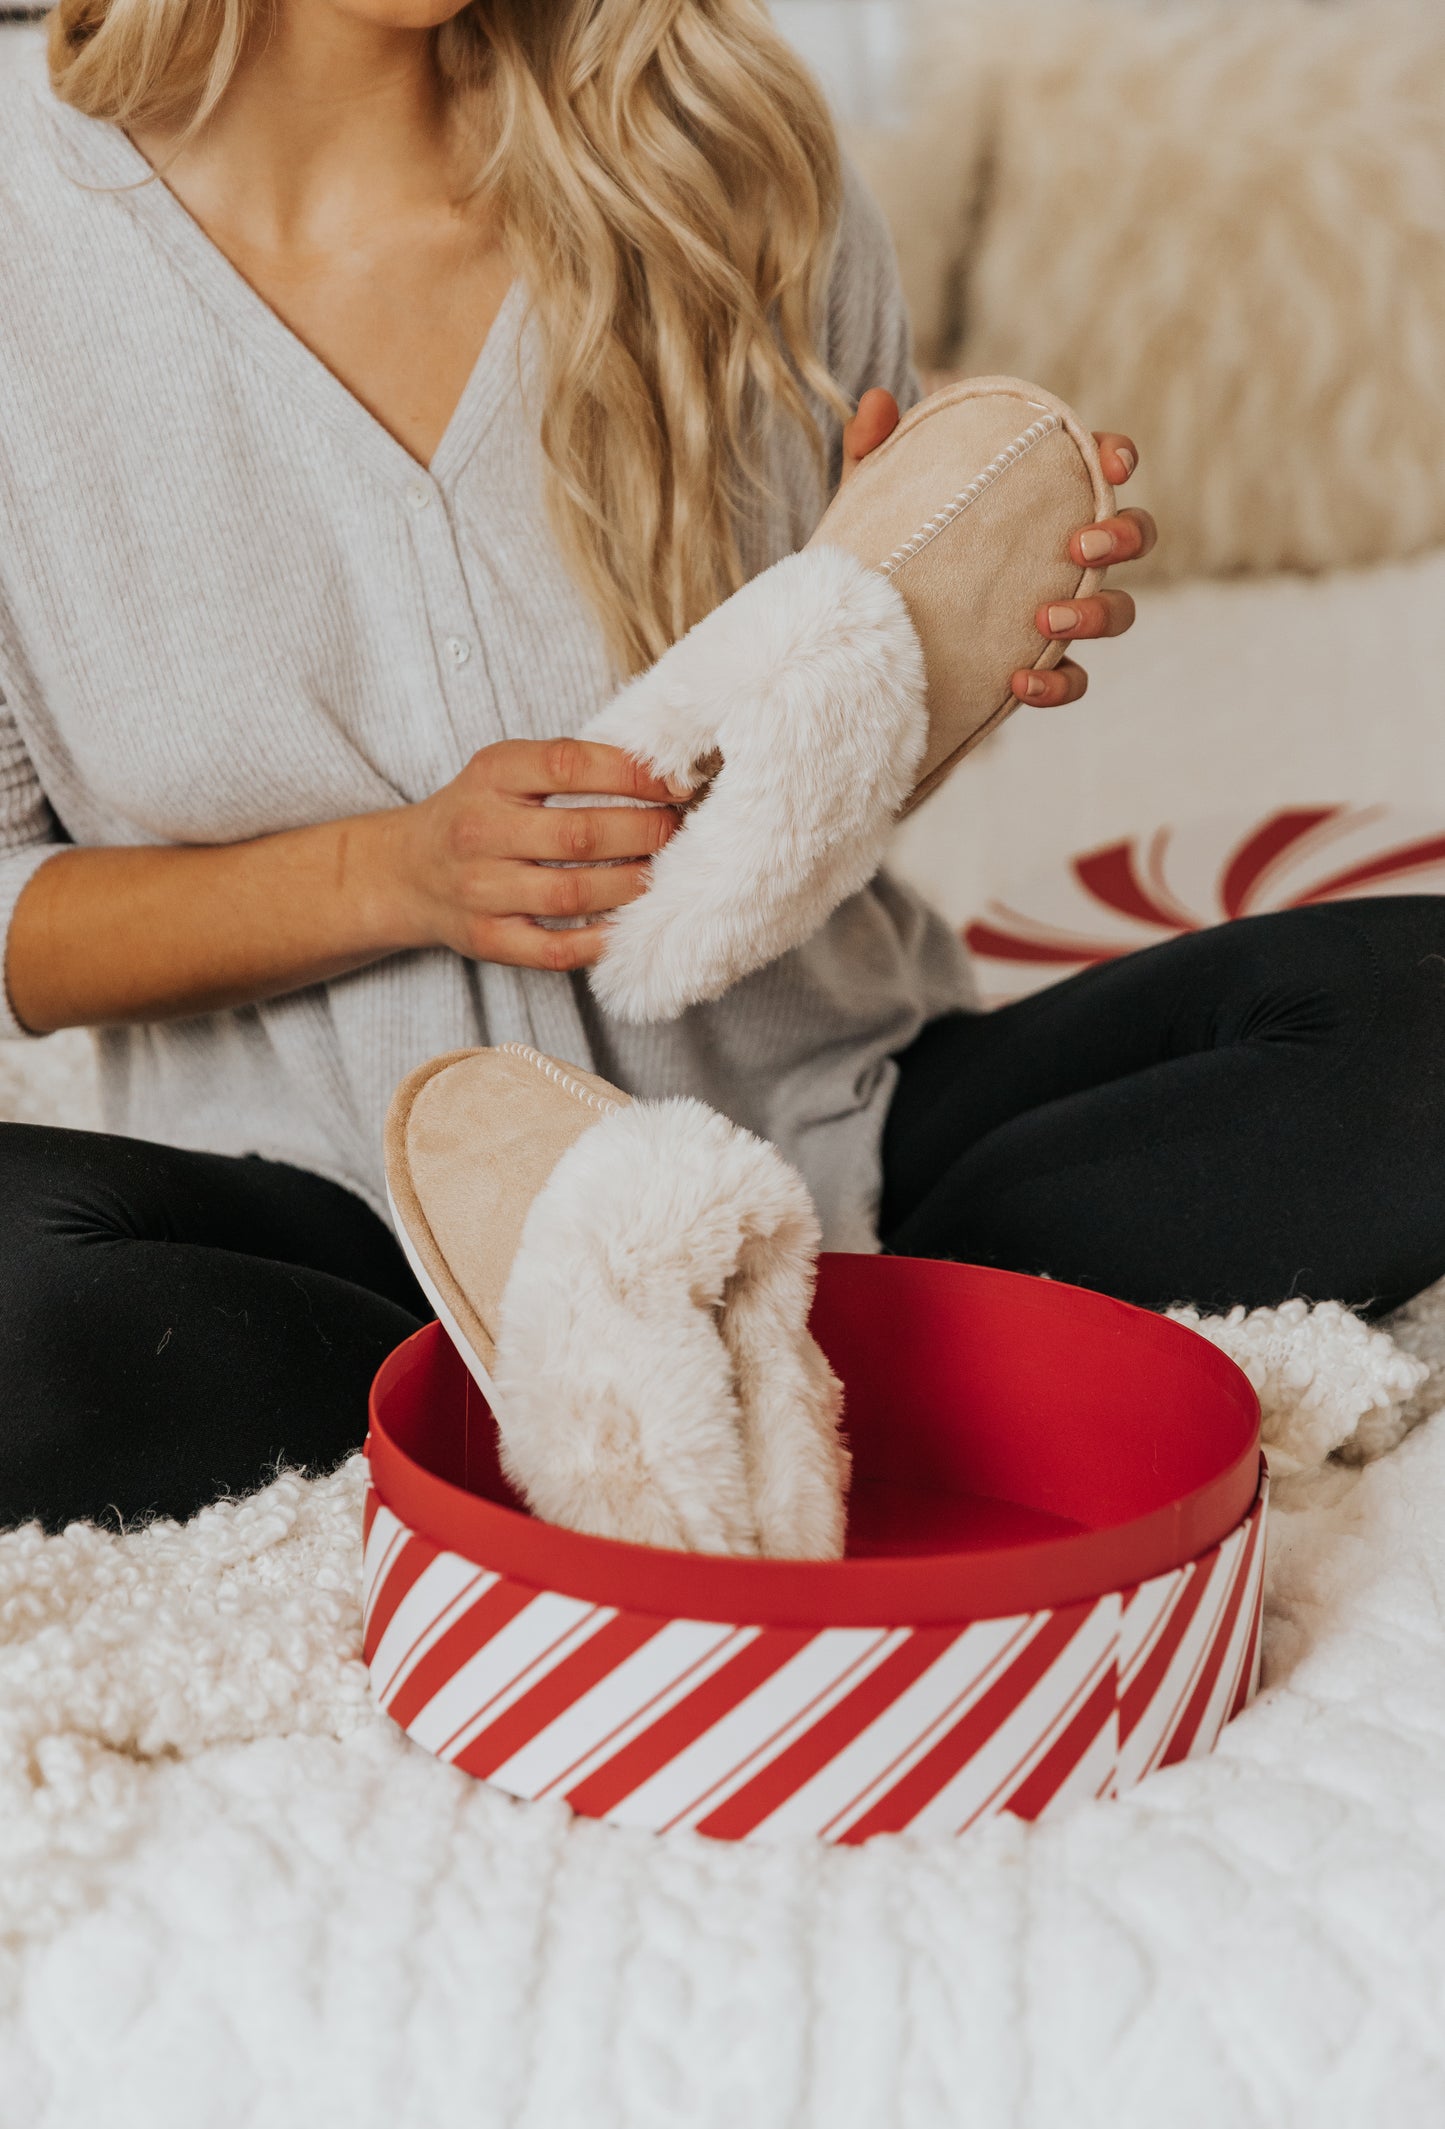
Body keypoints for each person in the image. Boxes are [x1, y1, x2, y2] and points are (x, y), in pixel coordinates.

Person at [2, 0, 1442, 1533]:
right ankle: (599, 1383)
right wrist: (396, 873)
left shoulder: (732, 167)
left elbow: (773, 804)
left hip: (828, 1145)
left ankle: (736, 1364)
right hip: (337, 1228)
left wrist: (921, 660)